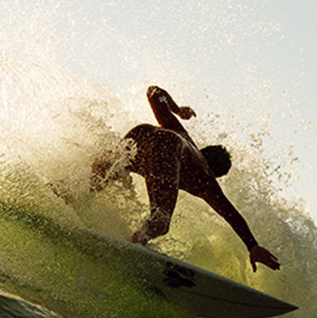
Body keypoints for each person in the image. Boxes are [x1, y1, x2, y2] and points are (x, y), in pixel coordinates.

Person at [91, 85, 281, 272]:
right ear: (215, 173)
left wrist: (178, 110)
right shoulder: (205, 178)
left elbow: (154, 92)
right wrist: (252, 246)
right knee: (160, 223)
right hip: (167, 148)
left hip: (141, 136)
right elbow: (231, 214)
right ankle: (134, 247)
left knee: (97, 180)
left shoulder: (181, 134)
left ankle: (64, 194)